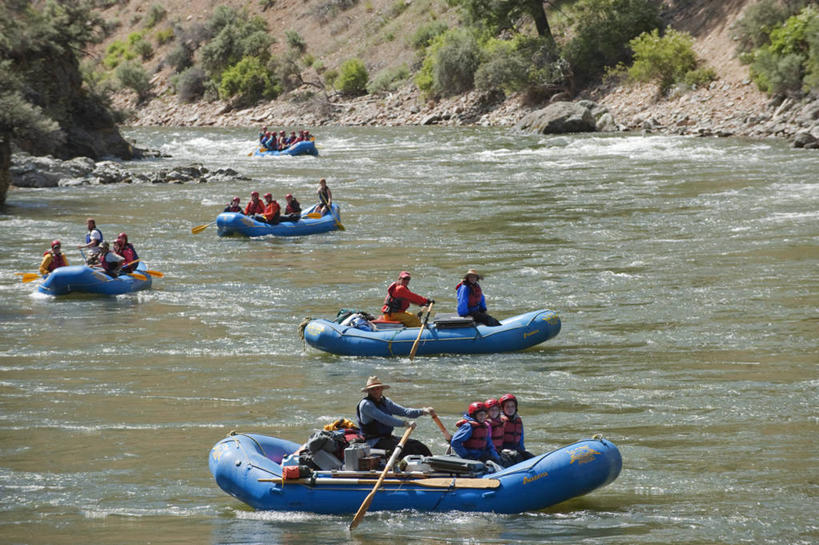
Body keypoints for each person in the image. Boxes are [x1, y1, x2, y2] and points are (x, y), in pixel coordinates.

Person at [355, 376, 435, 458]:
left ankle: (432, 462)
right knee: (409, 449)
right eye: (372, 389)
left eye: (378, 388)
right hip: (374, 442)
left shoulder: (386, 402)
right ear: (368, 391)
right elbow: (385, 419)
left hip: (387, 438)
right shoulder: (366, 405)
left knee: (419, 446)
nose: (376, 391)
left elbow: (404, 411)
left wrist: (422, 411)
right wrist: (405, 423)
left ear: (382, 389)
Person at [499, 393, 534, 464]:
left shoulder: (518, 420)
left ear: (516, 408)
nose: (510, 409)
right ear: (503, 408)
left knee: (529, 456)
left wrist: (523, 452)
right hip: (502, 451)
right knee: (516, 456)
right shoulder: (499, 421)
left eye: (512, 406)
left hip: (516, 449)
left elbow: (521, 440)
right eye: (507, 406)